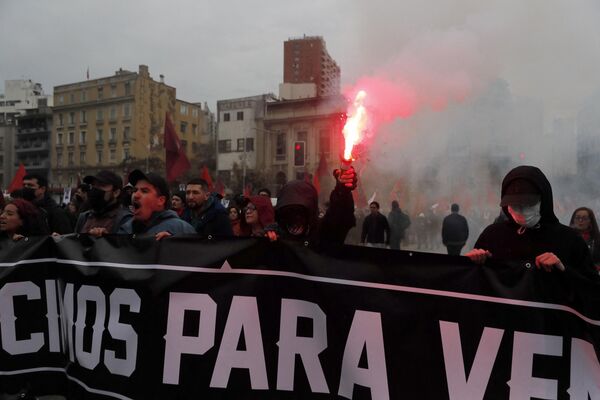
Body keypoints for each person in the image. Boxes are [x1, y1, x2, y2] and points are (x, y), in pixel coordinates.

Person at [466, 165, 598, 279]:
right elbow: (472, 285)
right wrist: (472, 262)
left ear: (544, 201)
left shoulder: (570, 239)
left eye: (528, 204)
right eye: (514, 205)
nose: (521, 211)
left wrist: (564, 270)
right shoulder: (493, 235)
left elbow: (591, 288)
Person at [272, 167, 356, 248]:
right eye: (289, 211)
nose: (296, 217)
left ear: (311, 210)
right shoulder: (275, 235)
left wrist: (342, 191)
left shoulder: (322, 232)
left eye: (301, 211)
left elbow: (338, 218)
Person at [118, 170, 195, 239]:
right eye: (135, 190)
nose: (135, 195)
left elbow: (199, 252)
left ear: (161, 200)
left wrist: (174, 245)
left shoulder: (181, 229)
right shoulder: (126, 228)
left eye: (144, 191)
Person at [75, 170, 132, 236]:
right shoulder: (84, 217)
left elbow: (125, 245)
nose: (95, 189)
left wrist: (107, 239)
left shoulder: (125, 220)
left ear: (116, 192)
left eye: (102, 185)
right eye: (93, 185)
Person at [570, 207, 600, 271]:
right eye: (577, 218)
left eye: (584, 218)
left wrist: (595, 268)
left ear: (590, 221)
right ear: (573, 220)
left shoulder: (597, 239)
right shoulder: (566, 237)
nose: (580, 221)